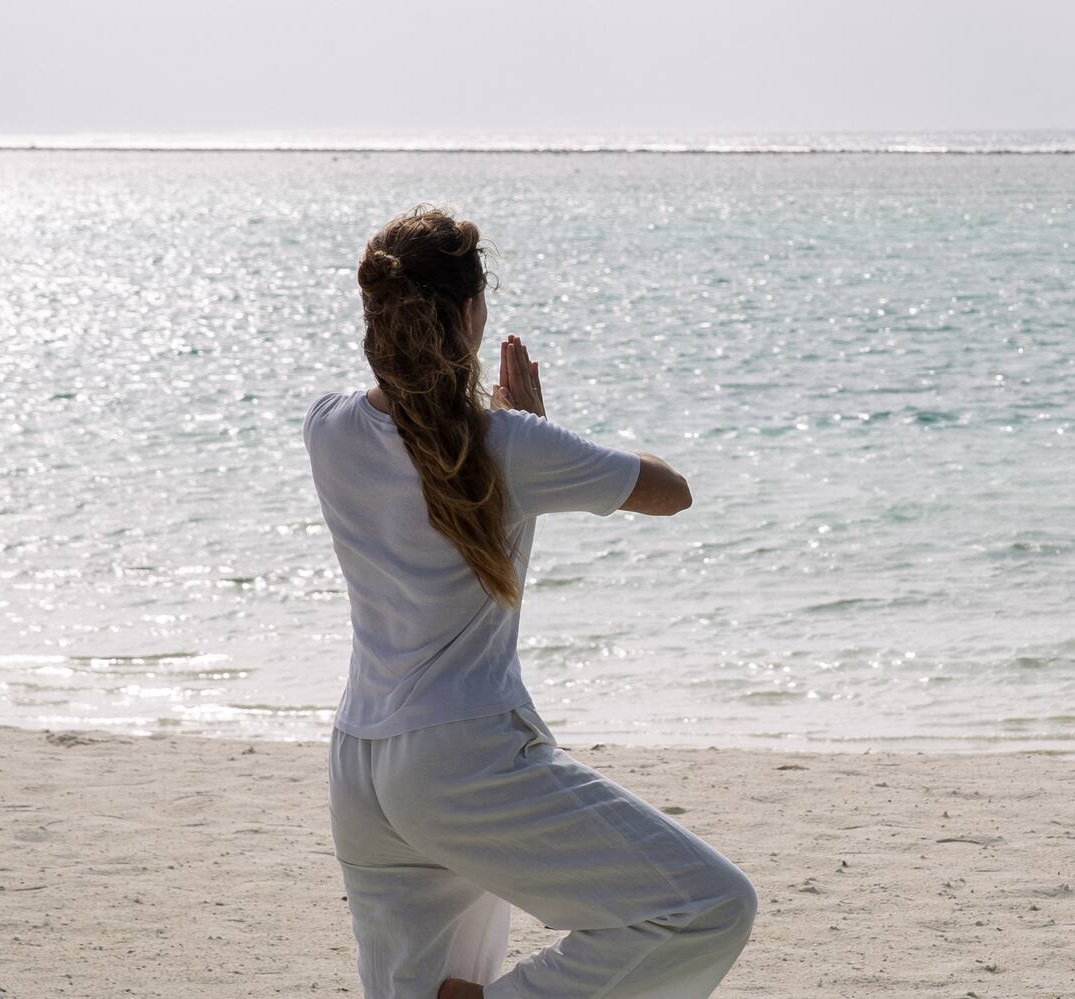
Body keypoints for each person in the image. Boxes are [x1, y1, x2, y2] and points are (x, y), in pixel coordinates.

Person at [301, 205, 757, 999]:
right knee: (706, 908)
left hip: (360, 764)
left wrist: (526, 444)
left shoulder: (328, 428)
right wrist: (545, 434)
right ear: (472, 313)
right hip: (462, 758)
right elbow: (670, 491)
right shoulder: (510, 445)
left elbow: (430, 463)